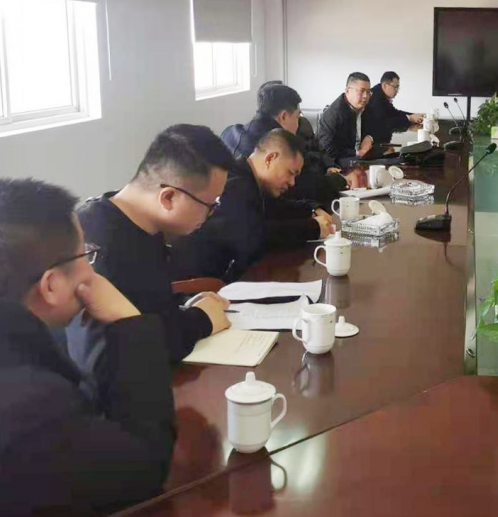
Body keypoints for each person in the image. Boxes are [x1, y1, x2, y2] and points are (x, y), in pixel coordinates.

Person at [0, 179, 175, 516]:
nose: (91, 268)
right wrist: (131, 323)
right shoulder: (32, 410)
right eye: (85, 253)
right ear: (52, 285)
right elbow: (141, 471)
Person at [71, 125, 233, 365]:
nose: (211, 214)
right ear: (168, 197)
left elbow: (147, 305)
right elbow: (130, 348)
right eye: (210, 205)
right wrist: (201, 320)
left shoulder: (138, 221)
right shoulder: (104, 249)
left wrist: (186, 304)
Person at [170, 129, 335, 282]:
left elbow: (276, 208)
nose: (292, 182)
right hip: (203, 285)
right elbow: (256, 236)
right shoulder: (235, 183)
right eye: (290, 173)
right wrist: (314, 227)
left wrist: (312, 209)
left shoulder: (249, 178)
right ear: (270, 159)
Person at [220, 83, 365, 207]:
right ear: (283, 116)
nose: (299, 123)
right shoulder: (277, 146)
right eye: (297, 117)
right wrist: (342, 180)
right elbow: (303, 187)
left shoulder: (232, 133)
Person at [318, 72, 376, 167]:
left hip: (361, 157)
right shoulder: (333, 113)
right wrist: (357, 153)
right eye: (361, 91)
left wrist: (369, 137)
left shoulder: (367, 107)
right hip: (338, 161)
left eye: (368, 92)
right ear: (348, 91)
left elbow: (376, 126)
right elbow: (326, 148)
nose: (365, 96)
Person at [363, 71, 424, 145]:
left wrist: (413, 115)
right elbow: (387, 122)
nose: (397, 91)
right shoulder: (376, 98)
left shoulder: (380, 93)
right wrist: (409, 118)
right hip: (372, 142)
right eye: (395, 87)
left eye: (398, 87)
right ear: (385, 85)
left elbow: (393, 112)